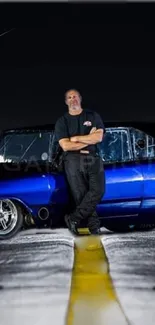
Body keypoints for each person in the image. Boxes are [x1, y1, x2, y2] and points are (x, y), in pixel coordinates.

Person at [55, 89, 105, 235]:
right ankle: (94, 227)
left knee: (98, 191)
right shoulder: (62, 122)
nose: (73, 99)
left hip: (93, 157)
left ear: (80, 99)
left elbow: (98, 138)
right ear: (66, 102)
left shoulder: (93, 116)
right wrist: (87, 139)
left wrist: (76, 138)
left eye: (75, 96)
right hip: (72, 160)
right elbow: (65, 146)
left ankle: (73, 218)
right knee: (81, 195)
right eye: (69, 97)